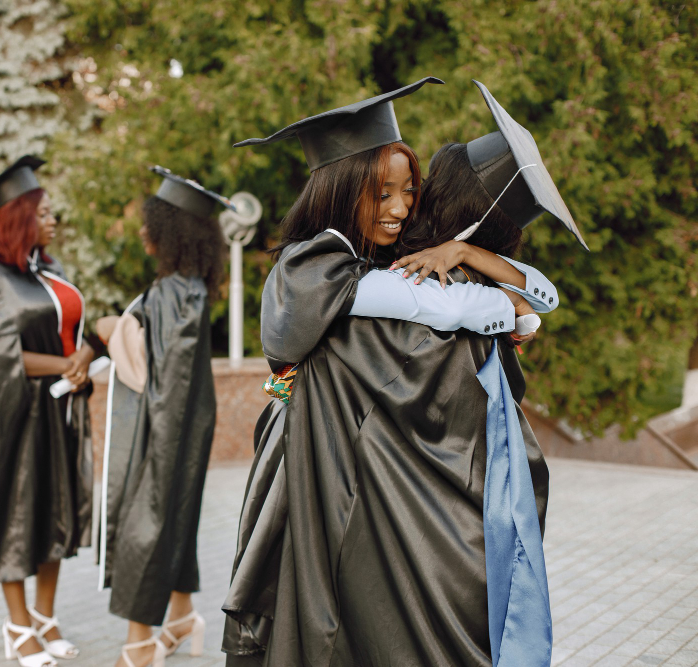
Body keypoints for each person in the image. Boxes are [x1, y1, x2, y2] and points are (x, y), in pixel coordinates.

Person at [223, 81, 588, 665]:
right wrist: (508, 307)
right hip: (311, 458)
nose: (399, 207)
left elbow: (535, 303)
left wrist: (473, 262)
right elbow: (437, 305)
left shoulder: (369, 259)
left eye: (407, 192)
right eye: (382, 192)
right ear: (343, 189)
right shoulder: (317, 262)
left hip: (335, 459)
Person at [0, 156, 95, 667]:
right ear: (18, 218)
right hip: (12, 415)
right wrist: (64, 363)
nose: (54, 220)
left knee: (54, 511)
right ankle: (17, 625)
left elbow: (74, 327)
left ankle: (46, 618)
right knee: (14, 514)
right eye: (44, 212)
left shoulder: (50, 269)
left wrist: (81, 360)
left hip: (57, 410)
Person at [93, 166, 229, 667]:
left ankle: (139, 644)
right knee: (176, 516)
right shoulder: (190, 288)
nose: (144, 232)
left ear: (172, 233)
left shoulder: (173, 294)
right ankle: (181, 617)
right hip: (186, 424)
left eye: (153, 224)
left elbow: (146, 367)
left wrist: (112, 326)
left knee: (147, 523)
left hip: (166, 430)